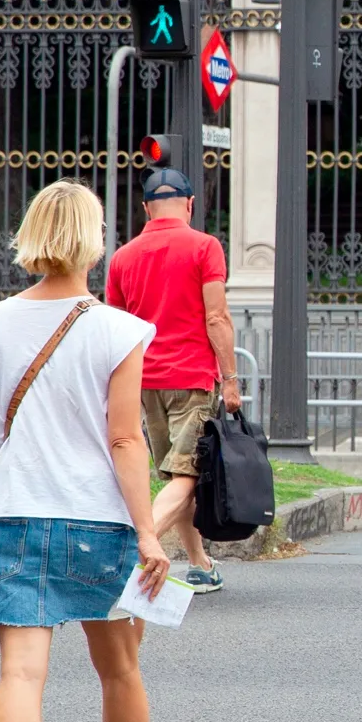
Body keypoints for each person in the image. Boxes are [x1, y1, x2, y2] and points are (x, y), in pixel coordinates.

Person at [0, 180, 188, 722]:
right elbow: (126, 440)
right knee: (118, 666)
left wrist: (7, 491)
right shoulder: (116, 329)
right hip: (95, 518)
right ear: (94, 239)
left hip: (13, 516)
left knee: (20, 674)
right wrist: (149, 532)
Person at [107, 168, 240, 594]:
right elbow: (216, 316)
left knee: (176, 474)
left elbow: (118, 329)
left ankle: (199, 564)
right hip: (194, 377)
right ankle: (131, 552)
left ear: (145, 207)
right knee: (187, 475)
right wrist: (232, 380)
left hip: (145, 383)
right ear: (191, 203)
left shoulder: (123, 257)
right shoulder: (205, 247)